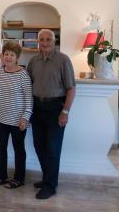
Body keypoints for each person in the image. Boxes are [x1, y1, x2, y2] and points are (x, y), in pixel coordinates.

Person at [27, 29, 76, 199]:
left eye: (49, 39)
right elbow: (27, 87)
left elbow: (71, 88)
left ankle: (50, 186)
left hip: (56, 109)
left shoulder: (63, 60)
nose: (45, 42)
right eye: (42, 39)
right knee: (39, 146)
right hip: (37, 108)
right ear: (38, 42)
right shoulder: (33, 61)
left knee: (53, 149)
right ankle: (48, 179)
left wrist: (65, 112)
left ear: (54, 42)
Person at [0, 42, 33, 189]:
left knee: (19, 149)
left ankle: (19, 178)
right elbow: (0, 91)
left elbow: (29, 98)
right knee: (0, 148)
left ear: (17, 57)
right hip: (1, 119)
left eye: (12, 55)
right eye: (6, 54)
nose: (8, 57)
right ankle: (2, 176)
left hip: (18, 120)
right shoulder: (0, 72)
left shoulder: (23, 74)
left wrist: (25, 118)